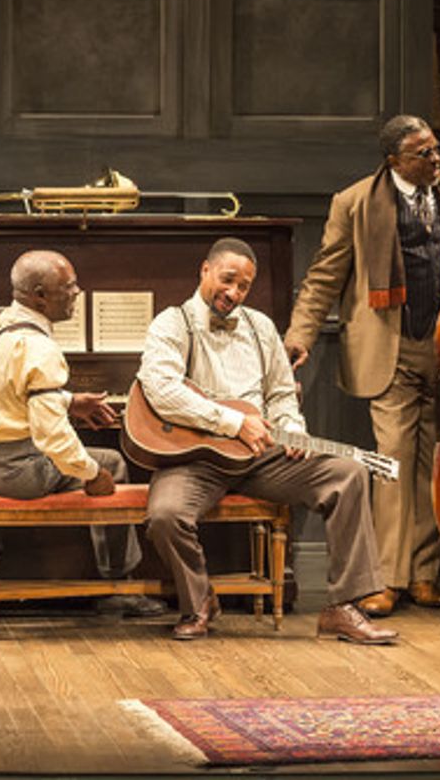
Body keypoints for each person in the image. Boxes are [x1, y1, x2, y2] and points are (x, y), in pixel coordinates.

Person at [284, 115, 440, 619]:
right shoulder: (355, 202)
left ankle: (423, 573)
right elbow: (324, 276)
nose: (436, 159)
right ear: (395, 161)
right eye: (424, 153)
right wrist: (299, 335)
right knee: (394, 459)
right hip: (389, 346)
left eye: (437, 149)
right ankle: (386, 578)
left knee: (434, 462)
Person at [138, 237, 397, 644]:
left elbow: (280, 393)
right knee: (165, 516)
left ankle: (343, 607)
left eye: (243, 286)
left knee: (347, 474)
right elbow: (161, 390)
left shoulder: (260, 328)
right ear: (205, 270)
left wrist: (292, 427)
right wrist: (233, 423)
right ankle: (199, 600)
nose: (233, 293)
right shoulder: (172, 323)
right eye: (227, 280)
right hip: (196, 459)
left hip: (259, 456)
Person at [0, 250, 166, 618]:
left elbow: (3, 386)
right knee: (112, 463)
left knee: (26, 457)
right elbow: (53, 438)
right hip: (13, 475)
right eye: (69, 286)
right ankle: (119, 587)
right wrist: (92, 475)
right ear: (40, 296)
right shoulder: (40, 347)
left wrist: (68, 400)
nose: (77, 292)